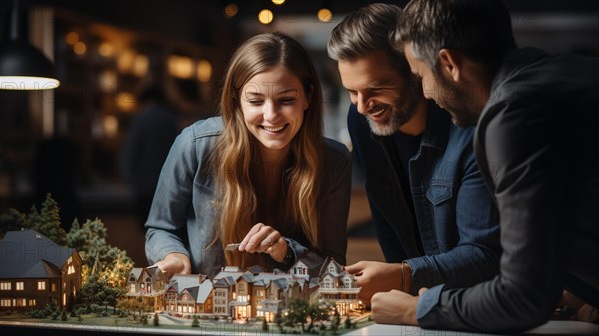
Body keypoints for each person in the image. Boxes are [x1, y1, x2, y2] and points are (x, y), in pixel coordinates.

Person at [373, 0, 599, 332]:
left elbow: (523, 298)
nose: (426, 91)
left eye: (421, 74)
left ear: (448, 63)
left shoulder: (514, 114)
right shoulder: (570, 73)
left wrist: (417, 308)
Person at [326, 3, 500, 306]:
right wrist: (401, 283)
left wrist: (403, 275)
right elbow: (385, 216)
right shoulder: (361, 122)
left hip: (481, 303)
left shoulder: (470, 128)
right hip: (421, 302)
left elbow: (484, 255)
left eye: (376, 88)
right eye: (352, 92)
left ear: (415, 70)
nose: (363, 106)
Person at [145, 33, 351, 279]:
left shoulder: (334, 163)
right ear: (237, 100)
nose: (271, 115)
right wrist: (173, 255)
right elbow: (159, 228)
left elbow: (333, 267)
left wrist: (287, 252)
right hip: (207, 306)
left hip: (289, 311)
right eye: (255, 101)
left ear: (307, 96)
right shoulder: (195, 145)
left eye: (286, 100)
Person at [121, 85, 179, 227]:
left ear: (146, 101)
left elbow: (131, 153)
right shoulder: (170, 120)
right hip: (168, 187)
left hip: (144, 187)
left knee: (147, 232)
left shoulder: (141, 119)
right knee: (164, 229)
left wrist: (130, 183)